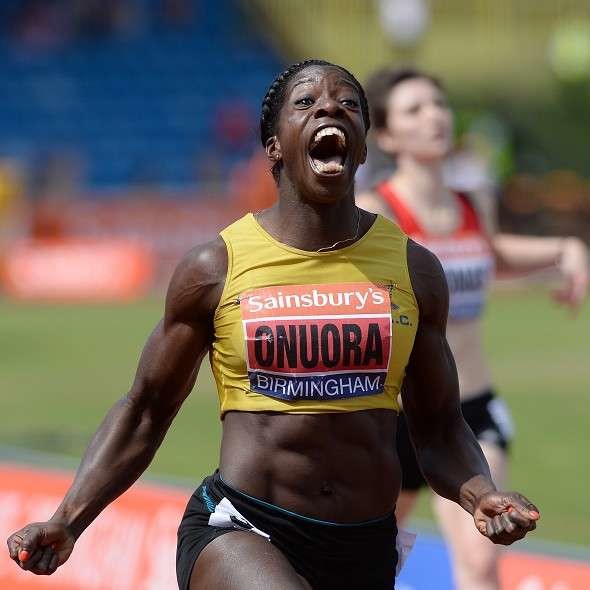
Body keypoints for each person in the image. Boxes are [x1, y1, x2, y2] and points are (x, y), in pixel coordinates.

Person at [6, 60, 541, 590]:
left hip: (365, 547)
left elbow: (440, 426)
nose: (330, 108)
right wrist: (68, 519)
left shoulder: (414, 269)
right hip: (243, 526)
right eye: (306, 103)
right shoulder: (215, 267)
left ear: (361, 148)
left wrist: (480, 494)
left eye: (348, 104)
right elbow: (146, 410)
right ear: (275, 147)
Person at [357, 66, 588, 590]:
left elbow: (491, 252)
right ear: (387, 135)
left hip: (470, 411)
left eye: (439, 103)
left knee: (482, 560)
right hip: (395, 419)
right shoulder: (375, 213)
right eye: (415, 109)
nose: (434, 116)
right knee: (369, 564)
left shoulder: (473, 199)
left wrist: (564, 248)